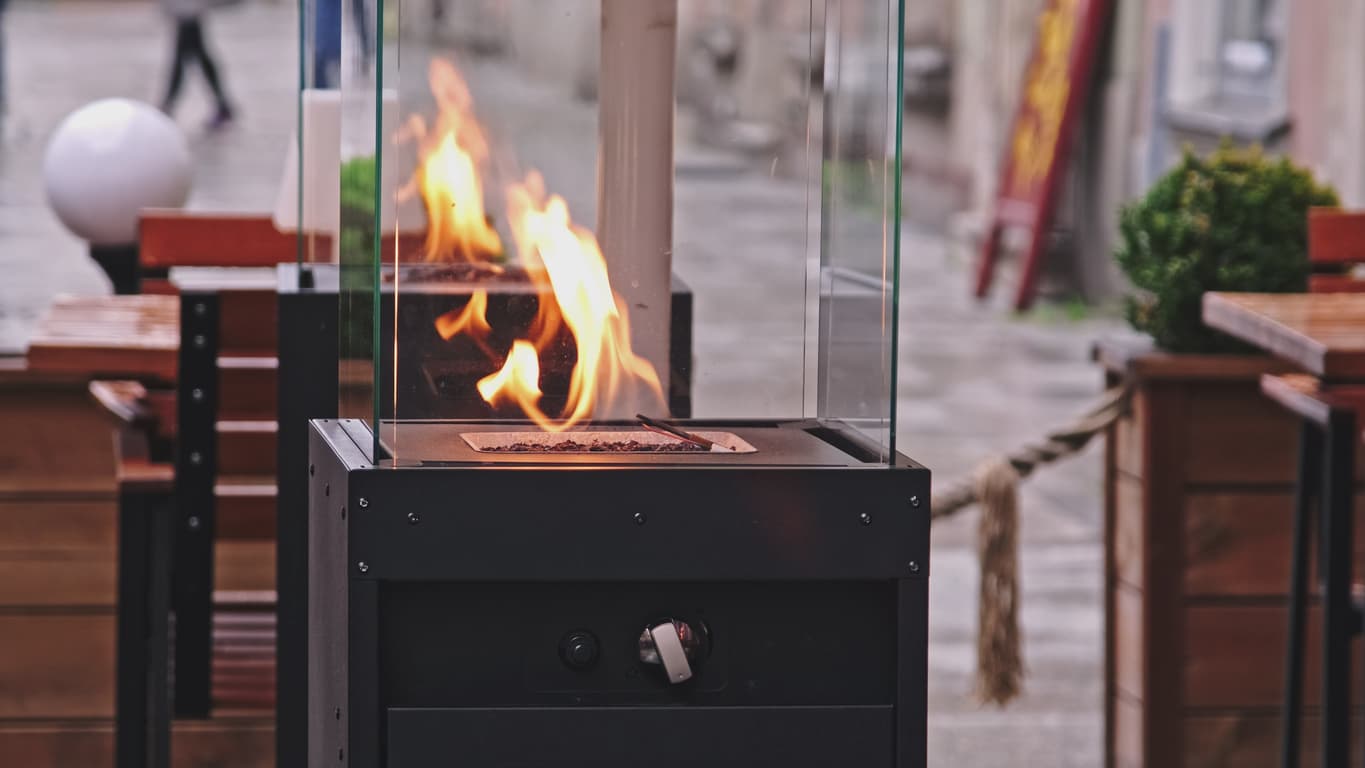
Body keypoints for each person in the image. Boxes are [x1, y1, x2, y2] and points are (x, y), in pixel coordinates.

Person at [160, 0, 236, 130]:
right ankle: (223, 106)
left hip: (189, 12)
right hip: (187, 12)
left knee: (182, 60)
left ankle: (168, 105)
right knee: (199, 59)